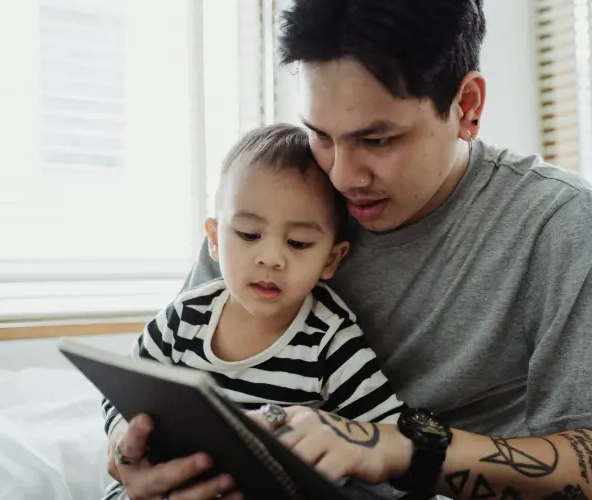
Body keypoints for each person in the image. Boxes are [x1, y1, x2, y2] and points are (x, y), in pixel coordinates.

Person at [112, 0, 592, 499]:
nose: (342, 173)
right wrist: (135, 458)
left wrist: (395, 447)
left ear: (468, 105)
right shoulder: (278, 198)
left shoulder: (555, 223)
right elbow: (173, 391)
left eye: (377, 140)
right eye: (321, 133)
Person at [101, 124, 406, 500]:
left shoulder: (330, 340)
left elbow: (388, 438)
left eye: (298, 243)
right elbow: (120, 391)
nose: (270, 258)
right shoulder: (184, 318)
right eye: (248, 234)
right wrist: (121, 437)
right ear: (214, 239)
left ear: (330, 258)